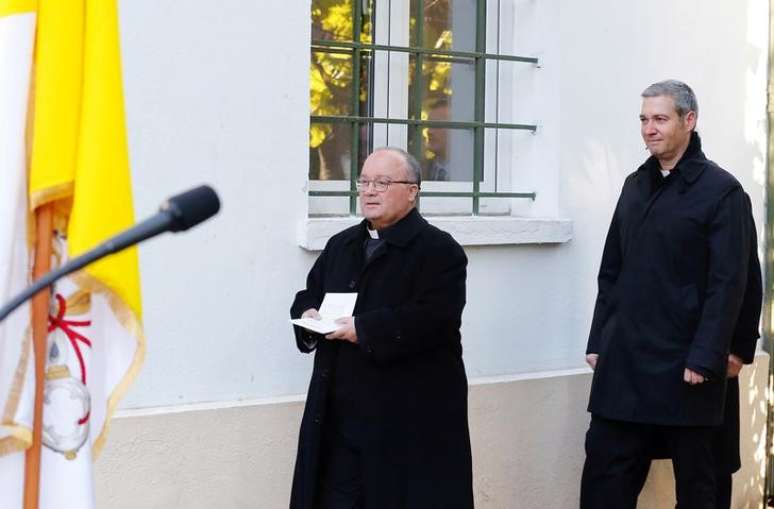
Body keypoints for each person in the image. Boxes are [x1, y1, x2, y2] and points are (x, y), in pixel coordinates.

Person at [580, 80, 754, 509]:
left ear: (688, 121)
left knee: (700, 484)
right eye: (644, 119)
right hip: (625, 362)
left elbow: (732, 281)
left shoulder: (722, 191)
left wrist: (711, 354)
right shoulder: (634, 186)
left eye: (660, 118)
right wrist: (600, 340)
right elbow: (611, 271)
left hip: (688, 366)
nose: (649, 129)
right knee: (604, 478)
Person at [289, 147, 473, 509]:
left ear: (412, 191)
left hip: (406, 423)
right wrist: (309, 314)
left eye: (382, 183)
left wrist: (364, 329)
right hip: (340, 419)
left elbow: (435, 318)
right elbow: (310, 292)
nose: (369, 191)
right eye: (365, 182)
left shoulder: (439, 251)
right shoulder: (343, 245)